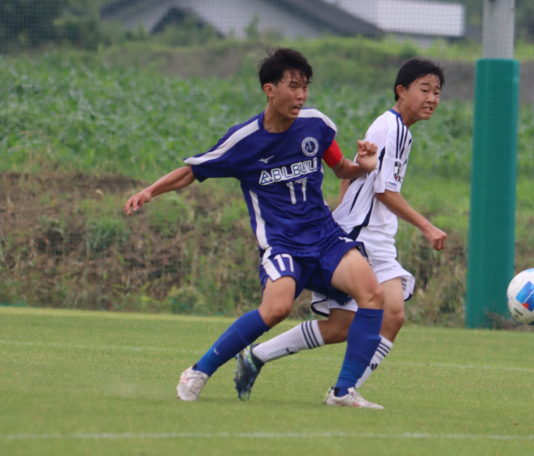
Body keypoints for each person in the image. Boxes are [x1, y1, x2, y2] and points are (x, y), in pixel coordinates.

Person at [124, 47, 386, 409]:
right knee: (276, 308)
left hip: (325, 238)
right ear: (269, 89)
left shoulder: (317, 126)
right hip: (282, 244)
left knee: (372, 295)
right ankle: (198, 371)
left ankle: (343, 392)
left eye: (305, 86)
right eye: (293, 86)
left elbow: (340, 168)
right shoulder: (244, 140)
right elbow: (193, 171)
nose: (301, 95)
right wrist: (150, 191)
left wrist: (364, 166)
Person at [233, 58, 447, 401]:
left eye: (437, 92)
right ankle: (339, 389)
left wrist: (342, 211)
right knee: (367, 319)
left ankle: (277, 364)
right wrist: (426, 226)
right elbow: (384, 191)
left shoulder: (400, 130)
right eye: (425, 90)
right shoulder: (389, 127)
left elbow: (356, 172)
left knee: (371, 321)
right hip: (363, 236)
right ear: (401, 90)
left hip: (374, 234)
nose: (432, 98)